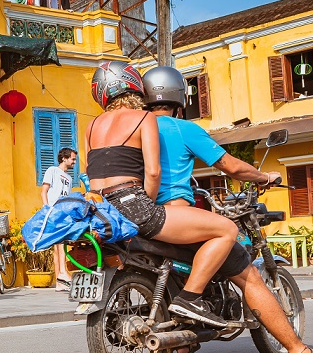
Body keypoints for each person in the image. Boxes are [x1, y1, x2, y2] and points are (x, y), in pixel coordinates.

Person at [142, 65, 313, 353]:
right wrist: (264, 176)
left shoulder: (135, 128)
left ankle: (184, 341)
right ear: (179, 98)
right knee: (248, 275)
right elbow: (231, 167)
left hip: (143, 216)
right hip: (176, 213)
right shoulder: (183, 129)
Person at [87, 61, 237, 329]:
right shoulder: (143, 118)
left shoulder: (92, 125)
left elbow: (91, 171)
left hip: (98, 207)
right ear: (136, 86)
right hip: (131, 203)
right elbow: (154, 172)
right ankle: (190, 298)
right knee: (225, 229)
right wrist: (147, 201)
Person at [41, 147, 77, 291]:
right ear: (64, 158)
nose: (74, 161)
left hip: (64, 211)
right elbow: (44, 191)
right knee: (60, 243)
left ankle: (59, 282)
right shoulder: (52, 170)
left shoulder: (69, 178)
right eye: (72, 159)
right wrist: (46, 209)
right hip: (53, 210)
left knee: (59, 246)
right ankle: (63, 272)